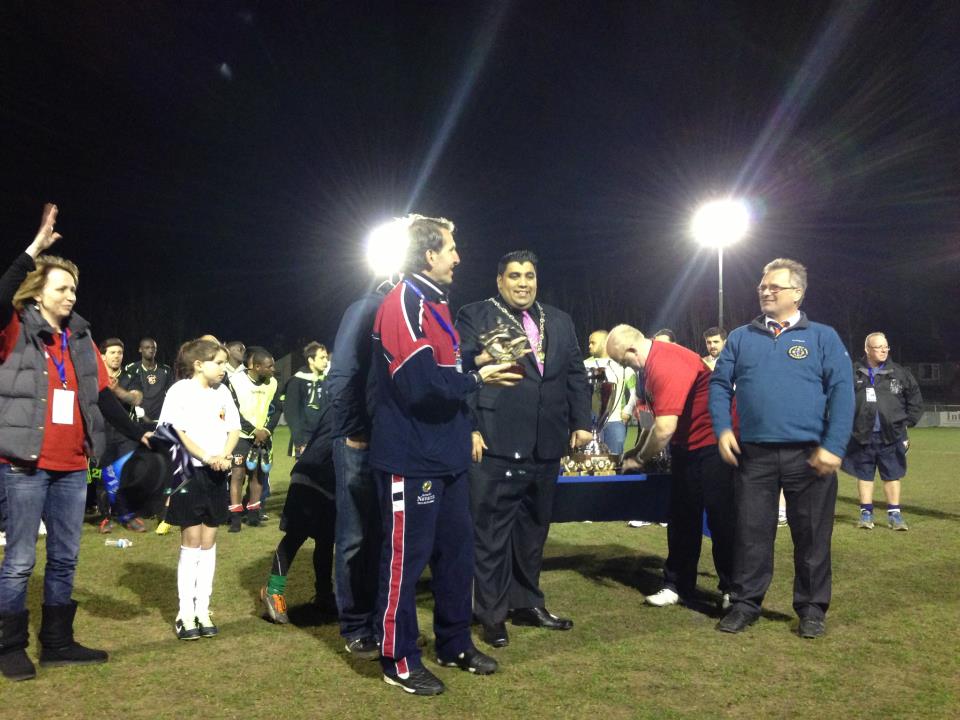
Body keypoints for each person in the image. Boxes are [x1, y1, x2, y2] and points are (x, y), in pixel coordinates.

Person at [0, 204, 150, 681]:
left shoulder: (81, 337)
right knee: (20, 560)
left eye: (74, 289)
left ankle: (58, 643)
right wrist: (34, 250)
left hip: (70, 466)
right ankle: (9, 647)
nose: (71, 295)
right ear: (38, 292)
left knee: (65, 557)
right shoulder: (14, 327)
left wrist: (137, 431)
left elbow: (100, 395)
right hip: (24, 465)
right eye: (62, 288)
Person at [371, 215, 520, 694]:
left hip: (448, 454)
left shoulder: (436, 303)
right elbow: (418, 385)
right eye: (451, 249)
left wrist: (478, 360)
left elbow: (443, 368)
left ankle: (454, 643)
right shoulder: (402, 301)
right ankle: (398, 659)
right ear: (429, 254)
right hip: (411, 457)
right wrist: (478, 378)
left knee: (457, 555)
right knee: (405, 564)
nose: (458, 257)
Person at [709, 258, 854, 639]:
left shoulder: (822, 337)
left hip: (809, 456)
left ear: (798, 293)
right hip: (753, 455)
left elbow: (842, 392)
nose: (766, 291)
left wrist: (834, 445)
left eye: (775, 286)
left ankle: (811, 609)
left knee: (812, 537)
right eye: (763, 286)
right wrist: (722, 428)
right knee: (750, 534)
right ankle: (745, 603)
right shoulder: (741, 337)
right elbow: (719, 385)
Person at [456, 250, 592, 649]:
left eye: (529, 275)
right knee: (491, 535)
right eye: (514, 276)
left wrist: (581, 422)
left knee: (533, 530)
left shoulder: (560, 320)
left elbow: (575, 374)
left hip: (546, 443)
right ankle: (491, 613)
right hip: (494, 440)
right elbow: (461, 370)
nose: (523, 283)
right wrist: (469, 426)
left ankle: (527, 603)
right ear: (500, 281)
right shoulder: (474, 314)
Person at [607, 325, 735, 610]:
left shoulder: (665, 362)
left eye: (623, 361)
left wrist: (639, 459)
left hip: (713, 444)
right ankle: (677, 584)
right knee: (681, 518)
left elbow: (664, 428)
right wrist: (639, 448)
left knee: (721, 519)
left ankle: (732, 589)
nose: (625, 367)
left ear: (632, 350)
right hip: (686, 447)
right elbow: (653, 420)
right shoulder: (649, 365)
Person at [158, 340, 240, 640]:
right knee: (191, 539)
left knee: (209, 540)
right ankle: (185, 613)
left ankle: (203, 609)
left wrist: (224, 455)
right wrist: (206, 456)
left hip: (217, 472)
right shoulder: (180, 391)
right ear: (198, 365)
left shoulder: (223, 392)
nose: (223, 369)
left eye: (224, 363)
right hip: (189, 473)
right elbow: (174, 432)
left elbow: (234, 428)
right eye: (218, 363)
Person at [327, 282, 390, 660]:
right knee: (355, 536)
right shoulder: (368, 307)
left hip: (394, 440)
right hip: (361, 438)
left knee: (385, 537)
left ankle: (384, 622)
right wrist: (355, 429)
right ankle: (356, 624)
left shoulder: (418, 309)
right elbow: (343, 372)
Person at [260, 372, 337, 624]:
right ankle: (273, 591)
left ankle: (324, 594)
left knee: (326, 540)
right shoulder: (345, 407)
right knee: (296, 536)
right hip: (310, 478)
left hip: (331, 484)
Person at [842, 333, 922, 531]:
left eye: (886, 346)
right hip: (862, 434)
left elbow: (915, 399)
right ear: (867, 349)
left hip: (891, 435)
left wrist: (907, 423)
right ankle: (866, 513)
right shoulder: (853, 372)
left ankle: (894, 515)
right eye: (879, 347)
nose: (884, 350)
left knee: (892, 474)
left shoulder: (899, 373)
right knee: (864, 474)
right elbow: (839, 398)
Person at [97, 338, 147, 533]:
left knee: (127, 475)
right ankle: (105, 517)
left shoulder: (130, 376)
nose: (117, 356)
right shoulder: (95, 376)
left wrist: (117, 389)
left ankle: (129, 516)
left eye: (120, 352)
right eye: (112, 352)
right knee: (105, 476)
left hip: (126, 434)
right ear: (102, 356)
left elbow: (136, 399)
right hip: (101, 432)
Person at [225, 347, 278, 531]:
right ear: (256, 367)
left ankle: (254, 513)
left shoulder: (273, 383)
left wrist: (266, 430)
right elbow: (232, 410)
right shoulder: (235, 381)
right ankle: (235, 517)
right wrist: (253, 430)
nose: (273, 370)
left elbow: (276, 409)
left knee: (258, 474)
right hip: (240, 436)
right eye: (269, 366)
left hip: (263, 436)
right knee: (238, 474)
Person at [584, 329, 634, 455]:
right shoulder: (584, 365)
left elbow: (635, 391)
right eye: (589, 343)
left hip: (616, 421)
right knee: (591, 458)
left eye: (593, 343)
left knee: (614, 458)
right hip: (590, 422)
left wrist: (628, 409)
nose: (589, 346)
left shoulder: (623, 365)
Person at [284, 342, 329, 458]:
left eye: (326, 357)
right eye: (322, 358)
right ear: (311, 360)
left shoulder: (327, 380)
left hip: (325, 437)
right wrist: (299, 441)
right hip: (305, 438)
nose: (326, 361)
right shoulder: (297, 380)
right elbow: (292, 412)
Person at [121, 337, 173, 426]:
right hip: (137, 420)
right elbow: (126, 395)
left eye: (153, 348)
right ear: (140, 349)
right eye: (147, 347)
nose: (151, 350)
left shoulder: (166, 370)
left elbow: (171, 395)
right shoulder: (131, 368)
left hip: (160, 419)